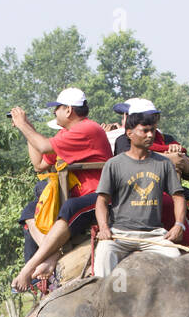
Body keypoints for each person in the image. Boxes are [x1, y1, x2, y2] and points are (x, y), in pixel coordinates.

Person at [9, 87, 112, 293]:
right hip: (75, 195)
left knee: (71, 206)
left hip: (98, 197)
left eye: (56, 108)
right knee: (31, 210)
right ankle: (49, 256)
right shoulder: (68, 134)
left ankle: (30, 268)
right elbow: (39, 164)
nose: (54, 112)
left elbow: (45, 147)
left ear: (68, 110)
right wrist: (27, 127)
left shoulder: (88, 129)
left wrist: (23, 126)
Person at [108, 98, 189, 258]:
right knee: (168, 204)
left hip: (172, 188)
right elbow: (132, 160)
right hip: (140, 192)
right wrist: (169, 157)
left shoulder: (167, 139)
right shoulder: (125, 139)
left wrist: (180, 158)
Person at [93, 110, 188, 277]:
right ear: (129, 133)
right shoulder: (114, 164)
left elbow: (178, 197)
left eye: (152, 130)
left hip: (154, 235)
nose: (150, 135)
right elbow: (101, 201)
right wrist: (103, 228)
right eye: (144, 131)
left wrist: (179, 225)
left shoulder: (164, 164)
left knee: (175, 261)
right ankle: (103, 301)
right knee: (103, 258)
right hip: (120, 235)